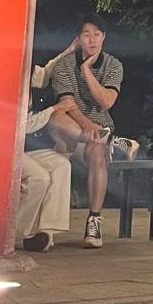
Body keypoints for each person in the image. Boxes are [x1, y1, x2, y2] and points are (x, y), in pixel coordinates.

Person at [44, 13, 123, 249]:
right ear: (78, 38)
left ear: (104, 37)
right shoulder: (63, 66)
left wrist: (87, 70)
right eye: (86, 35)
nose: (92, 40)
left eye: (97, 34)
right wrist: (88, 126)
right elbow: (67, 104)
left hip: (94, 137)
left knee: (98, 151)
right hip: (69, 130)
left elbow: (107, 102)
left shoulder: (113, 66)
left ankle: (94, 220)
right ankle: (110, 139)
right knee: (56, 116)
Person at [16, 99, 71, 254]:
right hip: (5, 145)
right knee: (40, 177)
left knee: (61, 165)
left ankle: (45, 231)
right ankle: (18, 231)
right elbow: (23, 125)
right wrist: (54, 109)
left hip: (29, 149)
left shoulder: (42, 87)